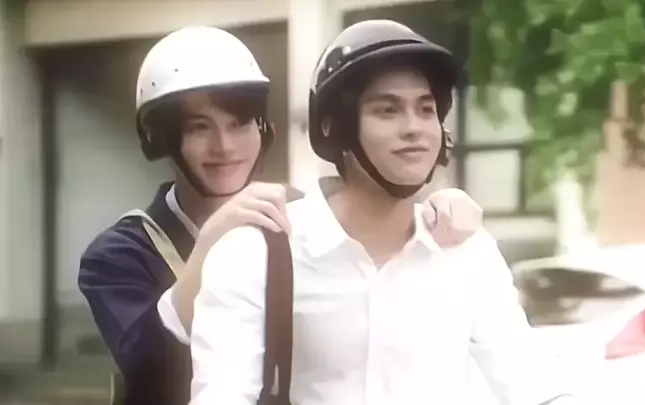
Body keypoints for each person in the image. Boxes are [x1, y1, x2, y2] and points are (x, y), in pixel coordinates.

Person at [78, 25, 486, 405]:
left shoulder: (297, 219)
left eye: (240, 124)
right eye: (200, 127)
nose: (225, 146)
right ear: (163, 138)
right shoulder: (119, 252)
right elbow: (146, 366)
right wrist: (212, 241)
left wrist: (433, 207)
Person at [189, 20, 580, 405]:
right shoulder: (258, 253)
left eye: (426, 109)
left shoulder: (465, 249)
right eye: (388, 110)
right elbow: (222, 393)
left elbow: (533, 383)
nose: (414, 128)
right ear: (335, 128)